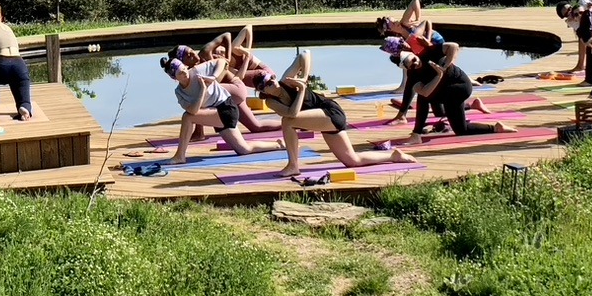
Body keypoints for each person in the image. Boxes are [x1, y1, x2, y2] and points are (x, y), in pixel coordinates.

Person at [254, 50, 416, 177]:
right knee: (352, 160)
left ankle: (293, 166)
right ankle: (393, 156)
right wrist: (302, 89)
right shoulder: (271, 102)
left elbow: (305, 53)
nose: (272, 82)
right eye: (267, 84)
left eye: (271, 78)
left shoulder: (287, 80)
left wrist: (303, 77)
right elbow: (292, 112)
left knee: (287, 123)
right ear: (262, 91)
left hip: (330, 112)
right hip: (322, 120)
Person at [161, 56, 284, 165]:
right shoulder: (179, 92)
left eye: (184, 69)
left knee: (187, 117)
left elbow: (222, 62)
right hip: (215, 113)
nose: (185, 73)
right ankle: (278, 144)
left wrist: (213, 77)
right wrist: (203, 90)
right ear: (174, 78)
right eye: (180, 73)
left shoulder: (197, 71)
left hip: (226, 108)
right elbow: (193, 110)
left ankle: (180, 155)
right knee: (244, 149)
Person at [400, 51, 517, 145]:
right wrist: (439, 75)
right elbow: (425, 92)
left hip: (460, 86)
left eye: (414, 60)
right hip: (448, 92)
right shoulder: (413, 77)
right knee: (461, 130)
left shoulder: (430, 55)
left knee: (426, 99)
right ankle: (496, 127)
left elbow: (453, 46)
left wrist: (447, 63)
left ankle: (416, 134)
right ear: (409, 69)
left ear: (415, 55)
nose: (416, 64)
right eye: (413, 66)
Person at [168, 40, 278, 132]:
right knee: (256, 127)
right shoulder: (188, 74)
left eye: (192, 51)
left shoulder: (204, 54)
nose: (193, 55)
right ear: (183, 63)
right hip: (228, 95)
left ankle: (199, 133)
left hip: (235, 88)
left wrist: (214, 77)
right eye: (188, 56)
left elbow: (226, 38)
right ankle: (288, 124)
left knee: (200, 94)